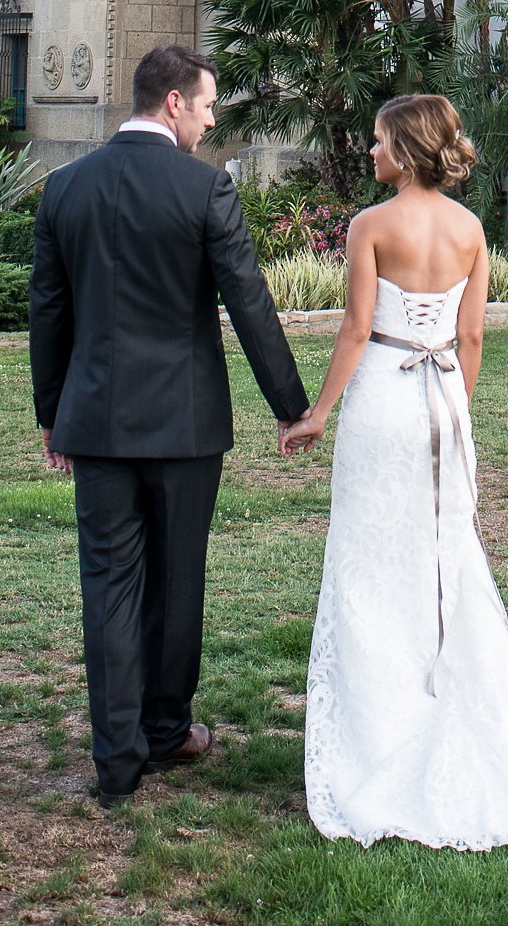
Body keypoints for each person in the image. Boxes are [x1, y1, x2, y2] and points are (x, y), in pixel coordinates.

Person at [283, 91, 508, 852]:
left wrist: (318, 411)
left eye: (377, 142)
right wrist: (454, 413)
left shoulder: (372, 225)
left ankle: (380, 732)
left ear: (404, 149)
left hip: (379, 404)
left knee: (370, 560)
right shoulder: (470, 230)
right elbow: (470, 339)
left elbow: (357, 327)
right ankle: (437, 704)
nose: (370, 153)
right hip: (441, 408)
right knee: (442, 559)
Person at [29, 41, 310, 807]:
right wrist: (292, 406)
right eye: (210, 105)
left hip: (95, 424)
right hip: (185, 428)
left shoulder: (64, 188)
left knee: (109, 586)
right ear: (175, 102)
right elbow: (248, 303)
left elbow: (48, 314)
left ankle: (116, 764)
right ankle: (165, 730)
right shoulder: (203, 189)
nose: (212, 120)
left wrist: (52, 416)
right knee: (177, 581)